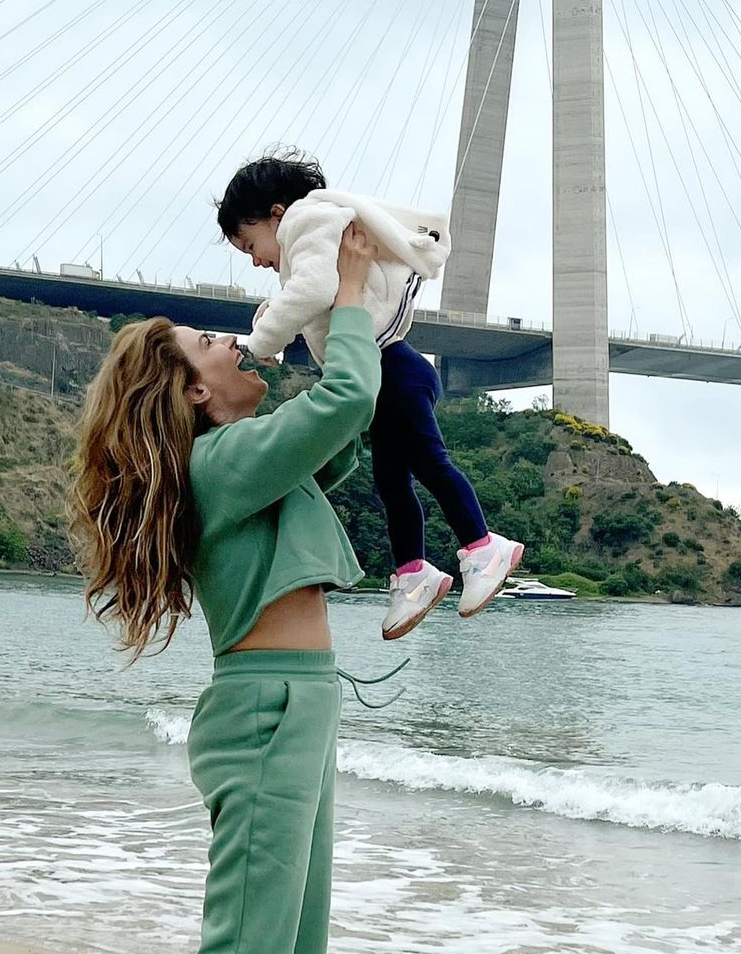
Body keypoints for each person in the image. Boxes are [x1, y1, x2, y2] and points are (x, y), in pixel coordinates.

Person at [70, 226, 381, 954]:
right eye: (214, 344)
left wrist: (341, 311)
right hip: (263, 716)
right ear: (194, 397)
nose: (237, 341)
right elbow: (346, 400)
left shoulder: (250, 453)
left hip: (304, 708)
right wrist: (345, 281)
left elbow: (345, 422)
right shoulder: (221, 464)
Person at [216, 150, 524, 641]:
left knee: (430, 464)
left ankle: (484, 546)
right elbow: (316, 295)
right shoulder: (306, 236)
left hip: (394, 366)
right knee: (392, 483)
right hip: (385, 368)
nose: (254, 259)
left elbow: (315, 290)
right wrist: (271, 321)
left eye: (250, 243)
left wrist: (261, 341)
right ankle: (413, 573)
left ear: (276, 213)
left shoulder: (305, 221)